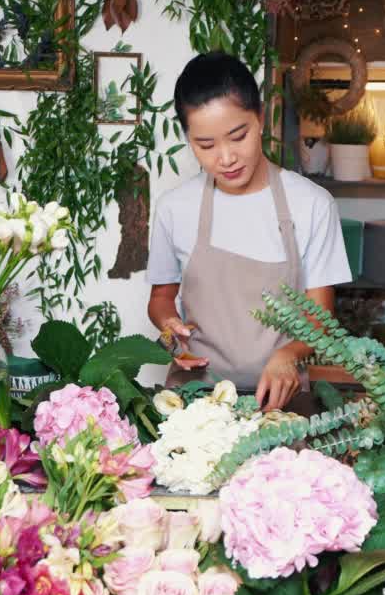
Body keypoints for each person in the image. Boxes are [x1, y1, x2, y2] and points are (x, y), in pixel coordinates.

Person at [146, 51, 352, 411]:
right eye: (205, 145)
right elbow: (161, 298)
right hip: (194, 405)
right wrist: (170, 332)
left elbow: (321, 320)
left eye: (237, 136)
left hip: (283, 405)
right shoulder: (174, 208)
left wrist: (290, 352)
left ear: (260, 118)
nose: (225, 158)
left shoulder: (311, 204)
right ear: (188, 139)